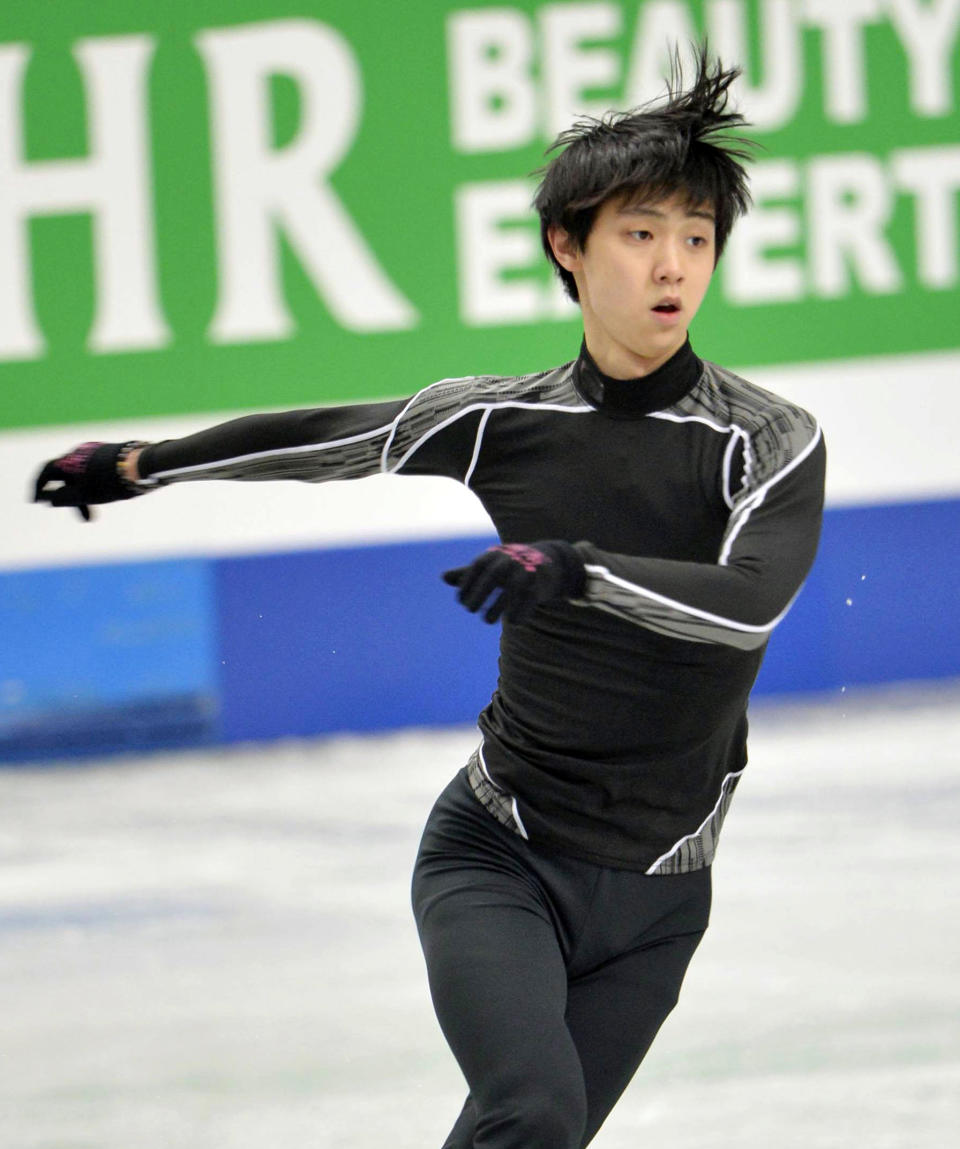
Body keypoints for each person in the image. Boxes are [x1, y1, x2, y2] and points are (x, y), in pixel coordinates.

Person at [33, 47, 825, 1149]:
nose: (672, 268)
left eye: (695, 239)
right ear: (570, 245)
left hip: (659, 902)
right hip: (499, 853)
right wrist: (142, 464)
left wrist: (578, 568)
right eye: (640, 234)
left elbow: (749, 606)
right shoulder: (506, 419)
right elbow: (328, 439)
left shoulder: (767, 439)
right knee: (530, 1110)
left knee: (521, 1138)